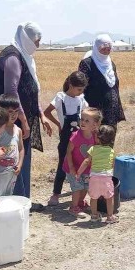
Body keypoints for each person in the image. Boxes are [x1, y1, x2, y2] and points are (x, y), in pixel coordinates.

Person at [0, 22, 52, 210]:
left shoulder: (25, 56)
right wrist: (23, 120)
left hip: (21, 117)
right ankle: (13, 203)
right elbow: (12, 92)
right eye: (36, 41)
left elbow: (30, 90)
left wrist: (40, 114)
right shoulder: (12, 57)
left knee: (23, 158)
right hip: (9, 120)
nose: (38, 46)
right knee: (11, 160)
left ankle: (24, 200)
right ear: (26, 38)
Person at [44, 71, 89, 206]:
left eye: (82, 90)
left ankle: (80, 196)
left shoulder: (81, 99)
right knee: (63, 166)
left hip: (79, 139)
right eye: (79, 89)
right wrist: (58, 124)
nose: (80, 92)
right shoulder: (60, 97)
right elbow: (47, 112)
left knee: (80, 165)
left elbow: (87, 112)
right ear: (71, 85)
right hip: (65, 139)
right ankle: (56, 194)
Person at [79, 34, 126, 128]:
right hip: (94, 113)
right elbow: (81, 87)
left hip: (111, 111)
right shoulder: (87, 64)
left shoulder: (111, 64)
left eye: (108, 49)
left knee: (109, 138)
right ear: (96, 48)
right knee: (94, 140)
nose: (106, 52)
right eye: (103, 49)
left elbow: (114, 87)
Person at [63, 108, 102, 217]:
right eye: (82, 119)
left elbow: (97, 149)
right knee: (77, 187)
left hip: (87, 168)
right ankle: (73, 207)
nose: (83, 122)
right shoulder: (76, 135)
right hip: (73, 167)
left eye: (87, 121)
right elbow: (69, 151)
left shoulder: (95, 136)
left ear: (95, 124)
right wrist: (71, 167)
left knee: (85, 186)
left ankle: (80, 203)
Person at [77, 124, 118, 223]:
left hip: (94, 178)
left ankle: (94, 216)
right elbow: (113, 165)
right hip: (106, 178)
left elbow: (86, 161)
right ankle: (110, 217)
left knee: (93, 198)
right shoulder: (112, 151)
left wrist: (78, 173)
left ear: (98, 138)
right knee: (109, 198)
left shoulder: (93, 149)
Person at [0, 95, 24, 197]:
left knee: (8, 196)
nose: (14, 115)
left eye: (16, 111)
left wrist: (19, 164)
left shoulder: (18, 130)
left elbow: (21, 149)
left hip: (12, 172)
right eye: (10, 111)